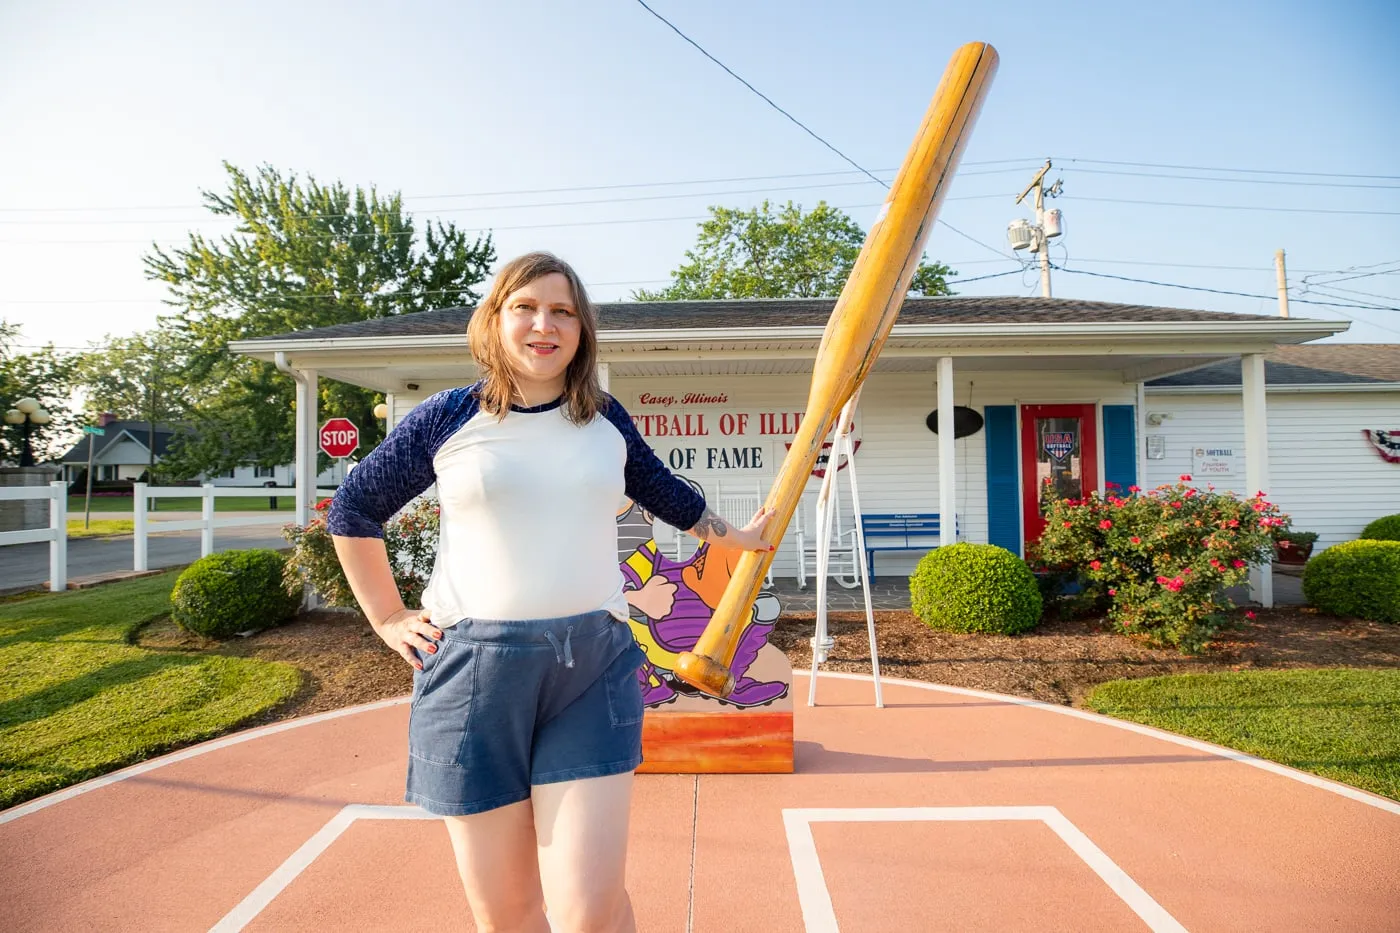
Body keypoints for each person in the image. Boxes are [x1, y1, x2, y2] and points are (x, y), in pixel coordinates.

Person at [328, 251, 774, 933]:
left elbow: (667, 495)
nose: (545, 324)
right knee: (509, 913)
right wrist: (388, 615)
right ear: (496, 320)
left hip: (589, 668)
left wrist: (735, 536)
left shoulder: (604, 421)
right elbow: (354, 508)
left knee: (588, 910)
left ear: (581, 328)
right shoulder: (447, 417)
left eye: (562, 310)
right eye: (526, 308)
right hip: (471, 673)